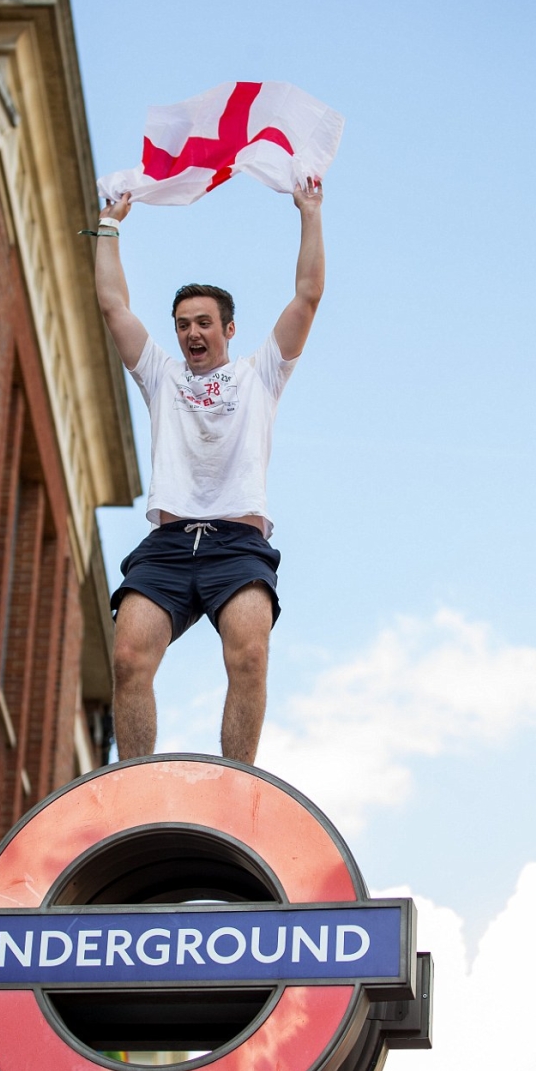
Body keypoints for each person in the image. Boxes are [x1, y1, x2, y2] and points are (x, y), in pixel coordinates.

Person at [94, 179, 324, 765]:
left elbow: (306, 297)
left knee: (249, 654)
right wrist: (111, 225)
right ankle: (135, 779)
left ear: (228, 329)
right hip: (170, 545)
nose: (191, 332)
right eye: (182, 323)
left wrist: (310, 213)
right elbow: (113, 306)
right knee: (127, 658)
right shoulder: (161, 375)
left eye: (203, 322)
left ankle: (237, 781)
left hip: (237, 545)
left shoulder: (260, 374)